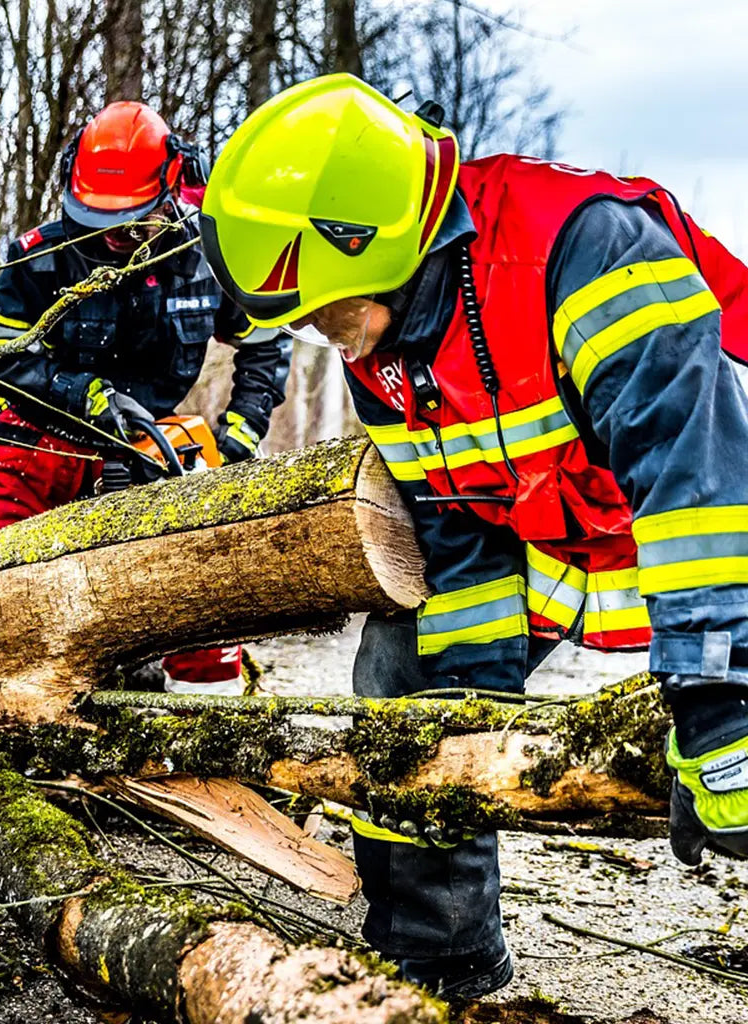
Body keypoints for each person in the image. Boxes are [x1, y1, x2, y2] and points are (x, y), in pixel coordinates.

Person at [199, 73, 748, 999]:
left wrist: (720, 693)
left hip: (718, 535)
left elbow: (698, 477)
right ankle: (437, 952)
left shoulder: (585, 248)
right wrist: (461, 728)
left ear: (377, 247)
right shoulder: (390, 342)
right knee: (404, 673)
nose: (338, 343)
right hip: (564, 532)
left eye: (333, 312)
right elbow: (458, 535)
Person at [0, 100, 291, 849]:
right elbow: (0, 356)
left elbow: (266, 340)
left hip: (153, 443)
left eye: (128, 218)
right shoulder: (41, 254)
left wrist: (238, 436)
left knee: (208, 586)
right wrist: (83, 396)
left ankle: (218, 759)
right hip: (38, 437)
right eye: (99, 217)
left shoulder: (209, 253)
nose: (111, 235)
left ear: (173, 188)